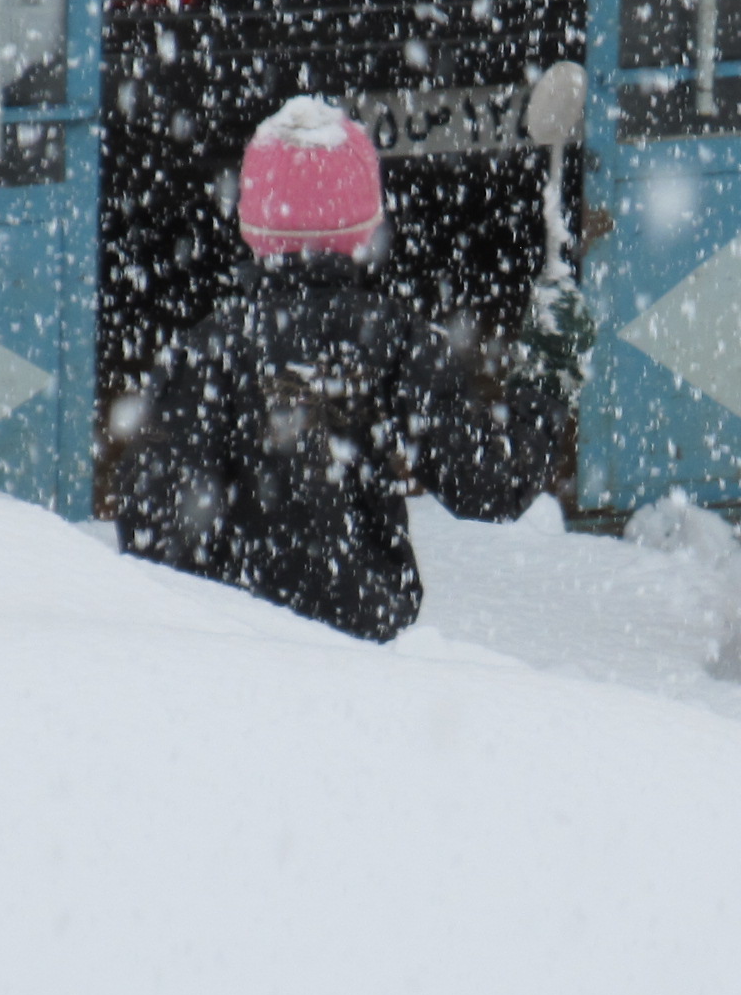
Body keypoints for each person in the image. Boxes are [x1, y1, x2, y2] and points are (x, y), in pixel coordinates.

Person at [109, 96, 560, 641]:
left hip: (231, 642)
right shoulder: (396, 339)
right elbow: (489, 485)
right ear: (366, 228)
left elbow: (150, 525)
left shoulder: (212, 347)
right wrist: (546, 383)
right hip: (363, 630)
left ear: (253, 224)